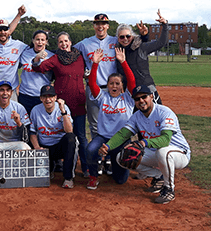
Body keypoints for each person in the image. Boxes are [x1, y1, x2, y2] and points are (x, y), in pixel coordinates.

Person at [99, 85, 190, 204]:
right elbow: (123, 134)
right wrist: (108, 145)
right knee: (122, 157)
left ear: (151, 96)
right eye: (137, 99)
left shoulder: (164, 112)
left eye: (144, 97)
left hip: (179, 153)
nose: (141, 101)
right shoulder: (137, 116)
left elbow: (165, 140)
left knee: (163, 152)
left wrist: (144, 142)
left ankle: (169, 190)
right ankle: (159, 176)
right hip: (157, 153)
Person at [32, 32, 88, 177]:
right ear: (57, 45)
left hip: (78, 101)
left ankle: (86, 168)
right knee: (63, 134)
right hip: (62, 103)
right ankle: (62, 166)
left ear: (70, 42)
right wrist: (37, 58)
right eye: (60, 42)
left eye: (65, 41)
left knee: (80, 136)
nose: (63, 44)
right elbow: (39, 67)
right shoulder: (56, 58)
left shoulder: (80, 57)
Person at [85, 47, 136, 190]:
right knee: (90, 149)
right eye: (111, 83)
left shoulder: (127, 98)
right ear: (107, 85)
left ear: (122, 86)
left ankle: (112, 164)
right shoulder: (103, 97)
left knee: (120, 180)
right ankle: (93, 177)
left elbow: (132, 81)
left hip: (121, 140)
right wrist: (95, 64)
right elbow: (92, 84)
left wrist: (123, 62)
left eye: (117, 83)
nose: (114, 86)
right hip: (103, 138)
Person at [74, 13, 118, 140]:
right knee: (94, 124)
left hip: (112, 89)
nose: (100, 26)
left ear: (108, 26)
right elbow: (69, 53)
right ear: (94, 26)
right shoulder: (85, 43)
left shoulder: (115, 41)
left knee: (113, 121)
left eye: (103, 24)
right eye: (97, 24)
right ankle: (98, 154)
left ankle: (112, 153)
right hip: (93, 88)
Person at [29, 85, 78, 189]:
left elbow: (69, 131)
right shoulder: (35, 110)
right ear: (41, 98)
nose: (48, 99)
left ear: (55, 97)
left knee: (71, 139)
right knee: (43, 176)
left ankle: (68, 177)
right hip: (45, 148)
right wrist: (37, 148)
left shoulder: (63, 109)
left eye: (51, 96)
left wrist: (63, 111)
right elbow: (32, 133)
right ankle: (50, 167)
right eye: (45, 97)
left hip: (60, 146)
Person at [116, 10, 168, 104]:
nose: (125, 39)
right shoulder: (117, 52)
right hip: (130, 92)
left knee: (155, 115)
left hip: (147, 88)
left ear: (132, 36)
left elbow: (161, 43)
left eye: (128, 36)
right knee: (134, 118)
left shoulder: (141, 47)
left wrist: (164, 25)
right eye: (122, 37)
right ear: (118, 38)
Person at [0, 5, 28, 100]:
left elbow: (33, 50)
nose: (3, 32)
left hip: (10, 91)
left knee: (12, 114)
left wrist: (19, 15)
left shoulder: (19, 45)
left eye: (5, 29)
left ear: (9, 30)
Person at [0, 81, 31, 151]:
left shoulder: (19, 108)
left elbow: (26, 137)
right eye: (2, 90)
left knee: (25, 148)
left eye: (8, 90)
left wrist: (19, 123)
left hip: (13, 143)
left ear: (11, 93)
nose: (5, 93)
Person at [18, 30, 54, 114]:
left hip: (43, 95)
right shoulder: (24, 53)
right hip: (25, 94)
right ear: (33, 40)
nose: (40, 42)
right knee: (25, 123)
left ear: (46, 42)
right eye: (37, 39)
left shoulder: (51, 56)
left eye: (42, 40)